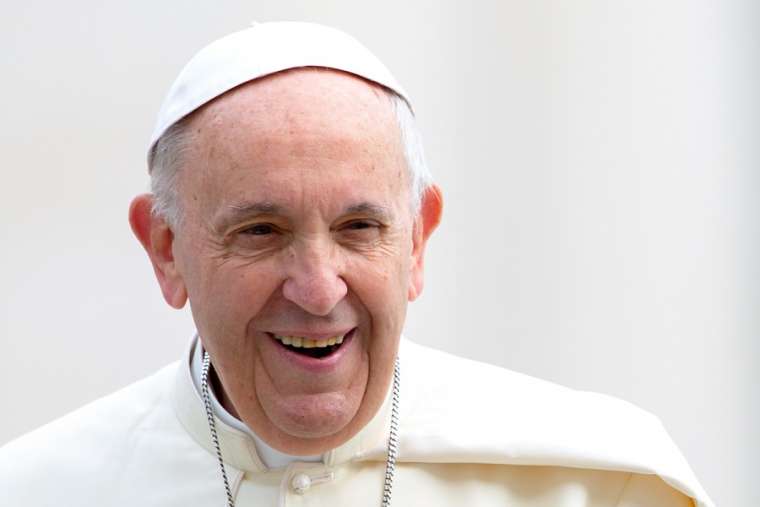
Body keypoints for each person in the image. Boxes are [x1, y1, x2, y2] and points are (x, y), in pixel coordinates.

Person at [0, 21, 713, 507]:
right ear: (166, 249)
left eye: (359, 226)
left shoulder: (599, 485)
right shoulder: (39, 489)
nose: (316, 288)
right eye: (260, 229)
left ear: (418, 240)